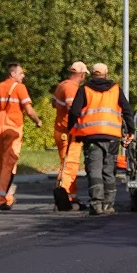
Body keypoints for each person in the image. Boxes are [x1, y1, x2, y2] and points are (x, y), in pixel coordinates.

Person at [68, 63, 134, 216]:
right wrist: (130, 130)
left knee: (94, 169)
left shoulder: (85, 89)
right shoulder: (115, 89)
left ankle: (96, 204)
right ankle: (108, 205)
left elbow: (74, 112)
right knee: (109, 170)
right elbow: (127, 110)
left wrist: (72, 130)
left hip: (92, 137)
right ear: (106, 73)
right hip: (112, 137)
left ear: (91, 74)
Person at [0, 63, 44, 211]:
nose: (23, 76)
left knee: (2, 164)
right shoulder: (20, 88)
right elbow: (29, 110)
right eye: (21, 73)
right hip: (13, 130)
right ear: (12, 74)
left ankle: (7, 197)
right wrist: (38, 121)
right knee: (9, 164)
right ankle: (0, 199)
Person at [52, 61, 88, 211]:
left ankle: (70, 195)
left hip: (61, 130)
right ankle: (64, 195)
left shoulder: (62, 85)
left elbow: (54, 103)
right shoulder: (71, 88)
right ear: (81, 74)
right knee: (69, 164)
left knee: (67, 164)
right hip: (69, 131)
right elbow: (72, 109)